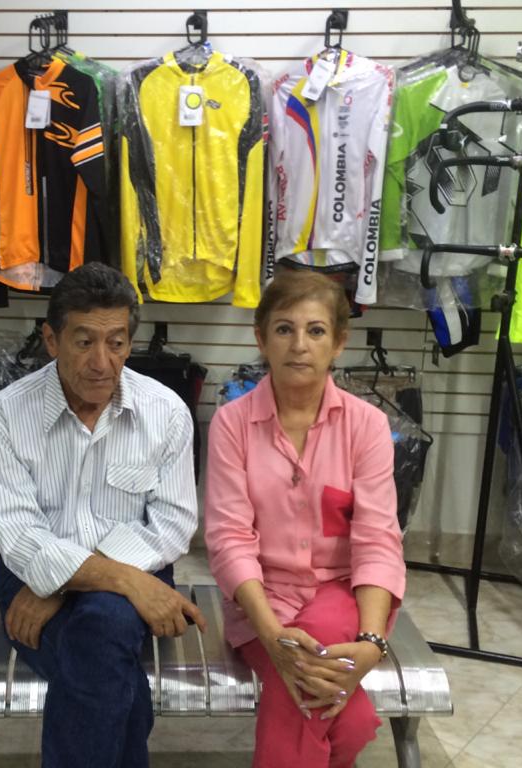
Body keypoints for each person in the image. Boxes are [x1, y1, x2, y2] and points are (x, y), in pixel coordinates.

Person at [0, 263, 205, 768]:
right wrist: (118, 580)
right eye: (84, 342)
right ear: (51, 340)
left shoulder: (166, 412)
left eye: (116, 343)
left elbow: (171, 525)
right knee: (105, 655)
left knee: (100, 632)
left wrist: (67, 584)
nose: (102, 362)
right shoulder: (2, 417)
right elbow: (18, 535)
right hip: (30, 576)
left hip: (137, 569)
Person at [204, 268, 405, 768]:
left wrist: (372, 642)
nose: (299, 345)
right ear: (261, 338)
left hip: (342, 595)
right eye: (284, 329)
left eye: (316, 330)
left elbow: (377, 540)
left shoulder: (367, 425)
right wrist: (273, 636)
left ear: (339, 342)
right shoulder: (232, 424)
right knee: (349, 723)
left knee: (310, 668)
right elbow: (229, 539)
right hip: (261, 603)